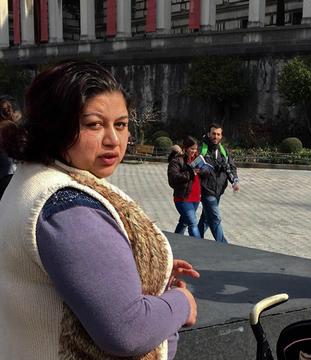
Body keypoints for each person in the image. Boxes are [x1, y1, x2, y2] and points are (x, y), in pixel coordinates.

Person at [0, 61, 198, 359]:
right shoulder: (65, 207)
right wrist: (181, 302)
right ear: (55, 126)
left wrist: (136, 270)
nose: (113, 140)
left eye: (121, 124)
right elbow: (127, 330)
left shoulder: (32, 178)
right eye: (93, 124)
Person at [197, 123, 240, 243]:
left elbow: (231, 167)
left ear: (221, 136)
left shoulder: (223, 150)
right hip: (206, 190)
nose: (215, 136)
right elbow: (195, 166)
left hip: (219, 190)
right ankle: (223, 245)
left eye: (218, 134)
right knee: (215, 218)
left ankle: (195, 239)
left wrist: (234, 181)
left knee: (205, 219)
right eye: (213, 134)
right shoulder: (202, 149)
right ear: (209, 134)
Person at [167, 137, 202, 239]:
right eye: (192, 149)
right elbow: (173, 179)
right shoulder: (177, 161)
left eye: (195, 149)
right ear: (185, 148)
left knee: (184, 223)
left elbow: (206, 172)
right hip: (183, 198)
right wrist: (190, 173)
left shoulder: (197, 159)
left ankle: (174, 242)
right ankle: (199, 248)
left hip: (195, 197)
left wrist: (203, 170)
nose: (194, 151)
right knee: (193, 224)